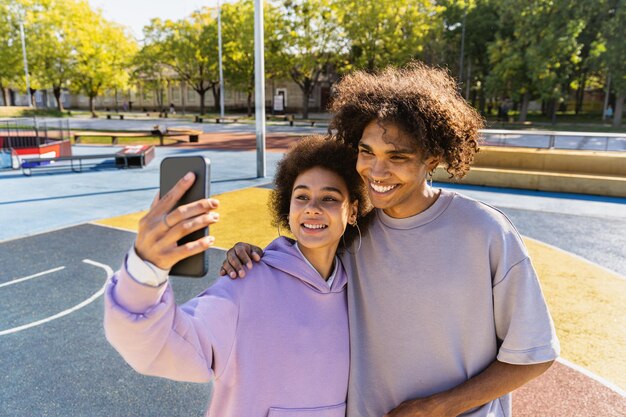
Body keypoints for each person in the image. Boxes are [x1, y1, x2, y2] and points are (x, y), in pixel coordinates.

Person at [220, 62, 560, 417]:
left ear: (432, 158)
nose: (377, 171)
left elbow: (534, 354)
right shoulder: (353, 233)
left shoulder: (486, 232)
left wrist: (436, 408)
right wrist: (248, 255)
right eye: (367, 152)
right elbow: (298, 271)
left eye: (397, 156)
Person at [103, 135, 369, 417]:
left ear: (352, 211)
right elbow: (162, 347)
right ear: (288, 209)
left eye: (329, 198)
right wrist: (145, 270)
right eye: (301, 196)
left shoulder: (359, 290)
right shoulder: (246, 281)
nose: (311, 207)